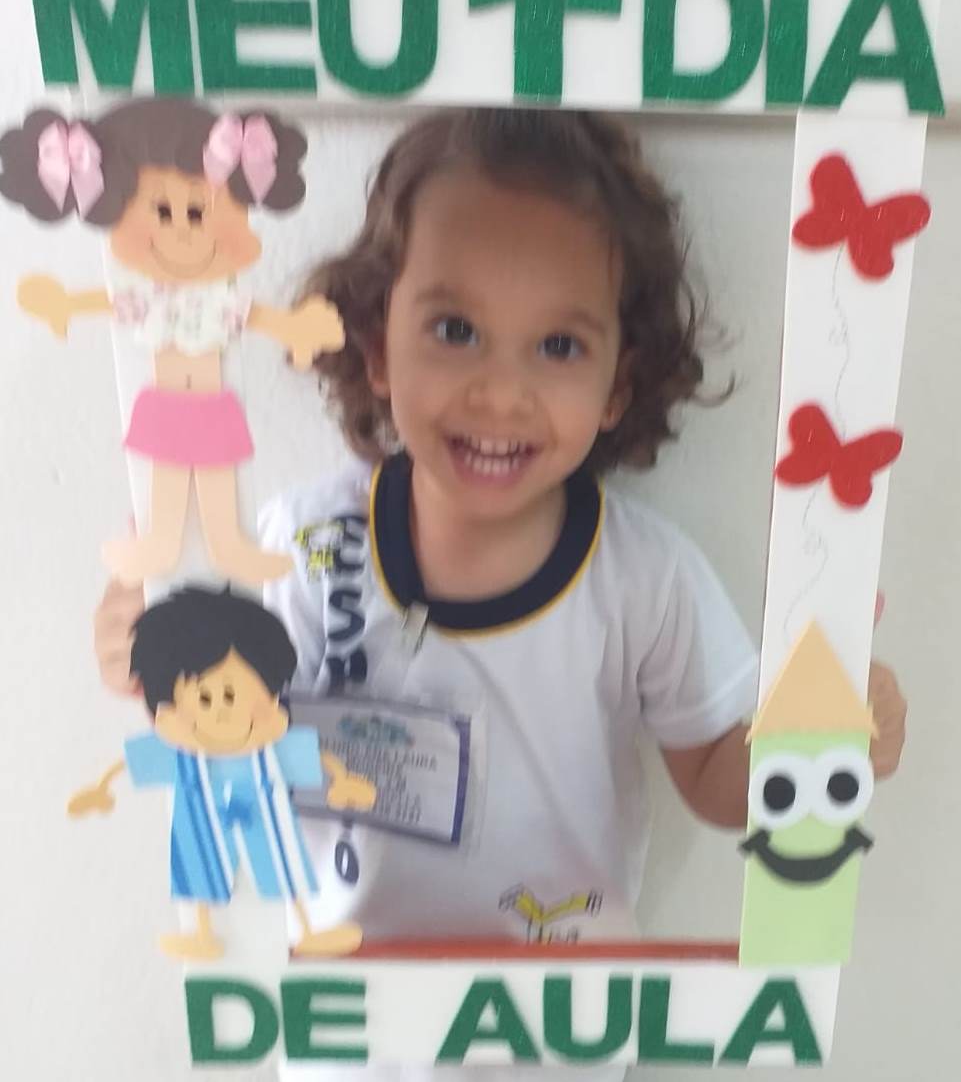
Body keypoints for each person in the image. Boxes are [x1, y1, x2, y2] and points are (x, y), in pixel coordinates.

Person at [94, 109, 906, 1074]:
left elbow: (715, 780)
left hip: (564, 1039)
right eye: (456, 330)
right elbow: (231, 738)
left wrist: (821, 743)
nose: (500, 392)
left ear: (617, 384)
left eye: (558, 346)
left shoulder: (641, 576)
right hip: (356, 1039)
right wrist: (160, 661)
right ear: (377, 347)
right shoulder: (299, 547)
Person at [0, 99, 343, 586]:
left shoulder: (222, 299)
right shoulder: (147, 296)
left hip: (212, 402)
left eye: (198, 211)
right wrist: (64, 304)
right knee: (167, 479)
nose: (181, 229)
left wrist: (298, 328)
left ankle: (230, 546)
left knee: (218, 478)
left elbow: (255, 316)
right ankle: (159, 544)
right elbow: (113, 303)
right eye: (161, 211)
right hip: (166, 402)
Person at [72, 586, 375, 960]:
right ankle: (202, 934)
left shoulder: (274, 751)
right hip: (203, 825)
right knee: (201, 879)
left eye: (230, 696)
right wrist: (101, 789)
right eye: (203, 698)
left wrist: (343, 781)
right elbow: (130, 762)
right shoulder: (183, 755)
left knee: (283, 872)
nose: (219, 712)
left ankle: (307, 932)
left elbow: (317, 758)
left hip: (269, 823)